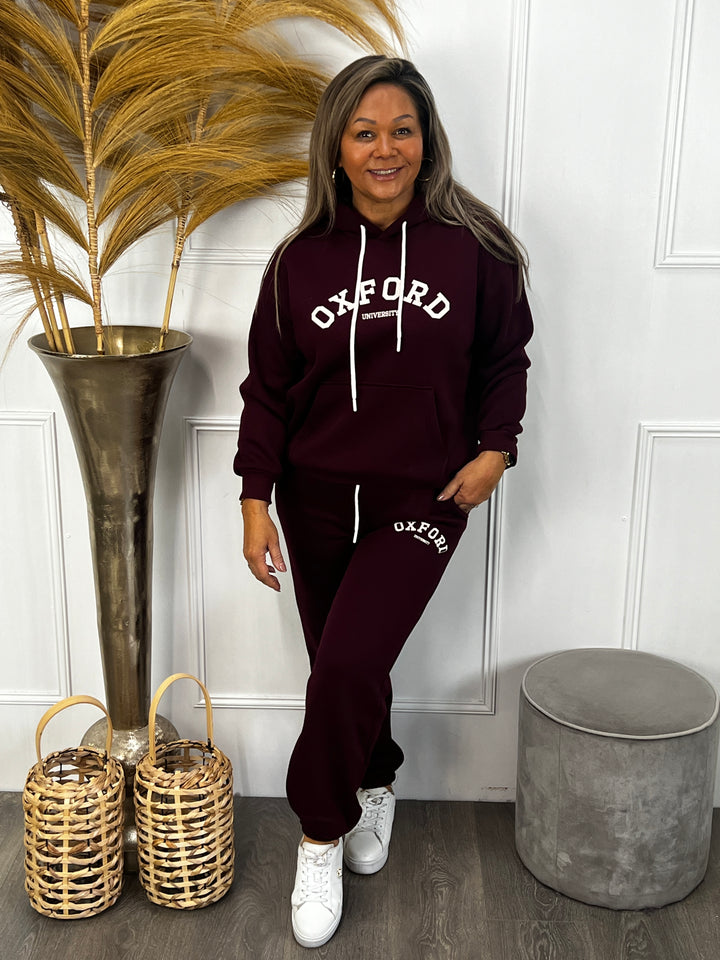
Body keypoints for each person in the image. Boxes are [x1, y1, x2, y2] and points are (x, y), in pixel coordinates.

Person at [234, 54, 533, 948]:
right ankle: (376, 779)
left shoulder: (475, 250)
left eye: (403, 130)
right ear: (336, 148)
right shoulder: (298, 263)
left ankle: (319, 835)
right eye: (364, 133)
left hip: (425, 492)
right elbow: (267, 390)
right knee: (344, 664)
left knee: (348, 661)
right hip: (316, 492)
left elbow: (505, 360)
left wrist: (496, 450)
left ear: (427, 141)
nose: (385, 149)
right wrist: (255, 497)